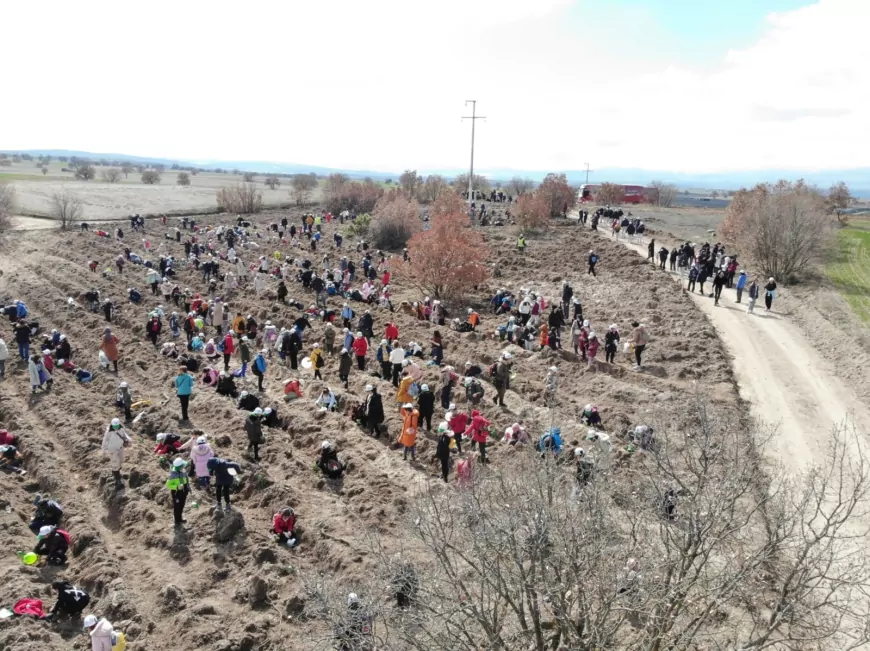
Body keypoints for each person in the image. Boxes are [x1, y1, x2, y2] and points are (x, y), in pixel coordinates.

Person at [101, 418, 131, 490]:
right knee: (115, 462)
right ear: (112, 425)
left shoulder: (121, 429)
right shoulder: (109, 432)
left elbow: (124, 435)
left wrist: (129, 440)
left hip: (120, 447)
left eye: (117, 426)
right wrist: (103, 449)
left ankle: (116, 472)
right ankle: (117, 479)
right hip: (112, 449)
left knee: (121, 461)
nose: (116, 427)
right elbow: (105, 439)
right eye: (115, 426)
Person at [166, 457, 190, 527]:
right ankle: (177, 521)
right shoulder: (172, 475)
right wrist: (176, 487)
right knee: (177, 507)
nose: (184, 467)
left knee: (182, 505)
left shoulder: (184, 472)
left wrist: (188, 488)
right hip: (176, 493)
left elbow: (187, 480)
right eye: (182, 466)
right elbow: (168, 485)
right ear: (179, 467)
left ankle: (180, 518)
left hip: (184, 491)